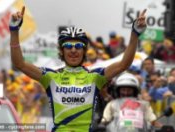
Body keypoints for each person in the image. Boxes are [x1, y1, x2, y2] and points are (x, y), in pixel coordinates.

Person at [9, 6, 147, 132]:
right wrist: (14, 31)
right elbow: (19, 64)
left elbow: (124, 64)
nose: (73, 50)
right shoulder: (50, 77)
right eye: (68, 46)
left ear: (84, 51)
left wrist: (135, 34)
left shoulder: (95, 77)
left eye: (78, 46)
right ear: (62, 51)